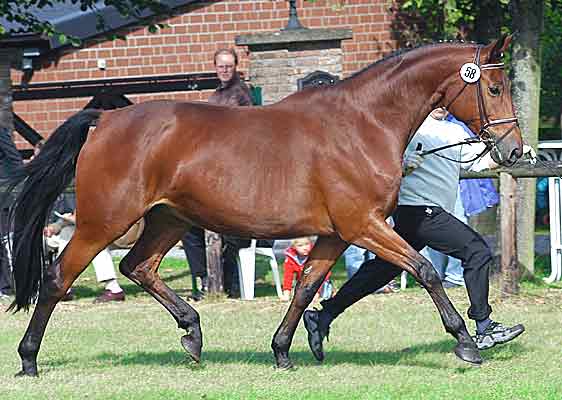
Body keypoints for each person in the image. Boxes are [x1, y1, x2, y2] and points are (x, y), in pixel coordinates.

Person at [303, 108, 535, 359]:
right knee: (476, 251)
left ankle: (323, 315)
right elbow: (375, 161)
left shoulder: (455, 131)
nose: (441, 105)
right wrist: (402, 165)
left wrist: (515, 153)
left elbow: (479, 162)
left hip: (427, 213)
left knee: (379, 272)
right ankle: (484, 326)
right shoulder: (407, 127)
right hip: (419, 211)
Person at [182, 48, 253, 299]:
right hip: (215, 166)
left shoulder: (240, 94)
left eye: (229, 66)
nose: (224, 70)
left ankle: (228, 283)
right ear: (215, 67)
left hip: (234, 168)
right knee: (188, 228)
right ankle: (204, 280)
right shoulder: (217, 95)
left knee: (231, 232)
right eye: (220, 66)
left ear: (235, 67)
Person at [44, 209, 125, 303]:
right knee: (66, 232)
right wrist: (53, 228)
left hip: (115, 232)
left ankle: (113, 287)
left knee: (94, 239)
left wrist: (77, 219)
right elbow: (65, 221)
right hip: (77, 230)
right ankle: (64, 287)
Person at [0, 126, 24, 298]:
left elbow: (15, 160)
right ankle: (4, 287)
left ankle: (22, 286)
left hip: (5, 194)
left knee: (9, 241)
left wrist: (14, 189)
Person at [281, 237, 332, 302]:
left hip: (320, 283)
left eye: (307, 244)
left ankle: (319, 294)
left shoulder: (315, 254)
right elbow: (288, 277)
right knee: (301, 295)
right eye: (300, 245)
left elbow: (323, 275)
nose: (305, 248)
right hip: (303, 282)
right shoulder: (291, 259)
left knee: (324, 295)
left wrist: (316, 293)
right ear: (293, 247)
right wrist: (286, 293)